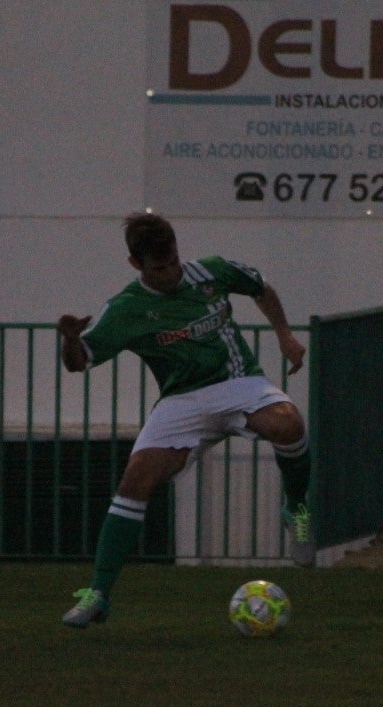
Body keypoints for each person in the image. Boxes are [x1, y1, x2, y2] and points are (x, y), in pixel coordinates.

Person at [57, 212, 312, 628]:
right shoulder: (126, 308)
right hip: (182, 401)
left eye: (173, 261)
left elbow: (261, 288)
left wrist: (284, 335)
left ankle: (297, 508)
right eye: (159, 268)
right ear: (135, 264)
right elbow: (78, 362)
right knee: (135, 480)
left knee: (289, 424)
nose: (171, 273)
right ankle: (98, 593)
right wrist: (70, 340)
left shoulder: (211, 272)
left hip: (238, 382)